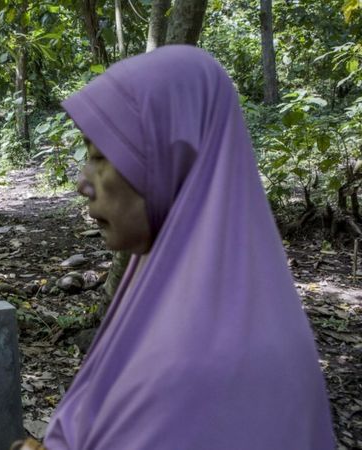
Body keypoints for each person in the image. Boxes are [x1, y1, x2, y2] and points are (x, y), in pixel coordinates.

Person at [39, 46, 335, 449]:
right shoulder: (180, 284)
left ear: (171, 158)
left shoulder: (198, 366)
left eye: (100, 156)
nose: (82, 182)